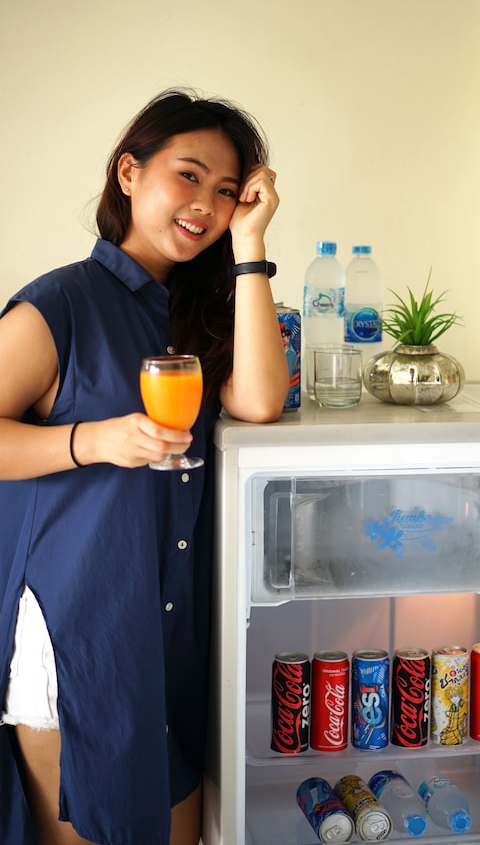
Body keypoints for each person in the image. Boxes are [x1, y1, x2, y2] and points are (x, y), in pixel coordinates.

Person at [0, 89, 289, 845]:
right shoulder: (60, 303)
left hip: (170, 623)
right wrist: (90, 441)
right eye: (188, 176)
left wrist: (250, 244)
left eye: (226, 191)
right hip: (79, 624)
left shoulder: (195, 311)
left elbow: (260, 402)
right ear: (129, 173)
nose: (206, 205)